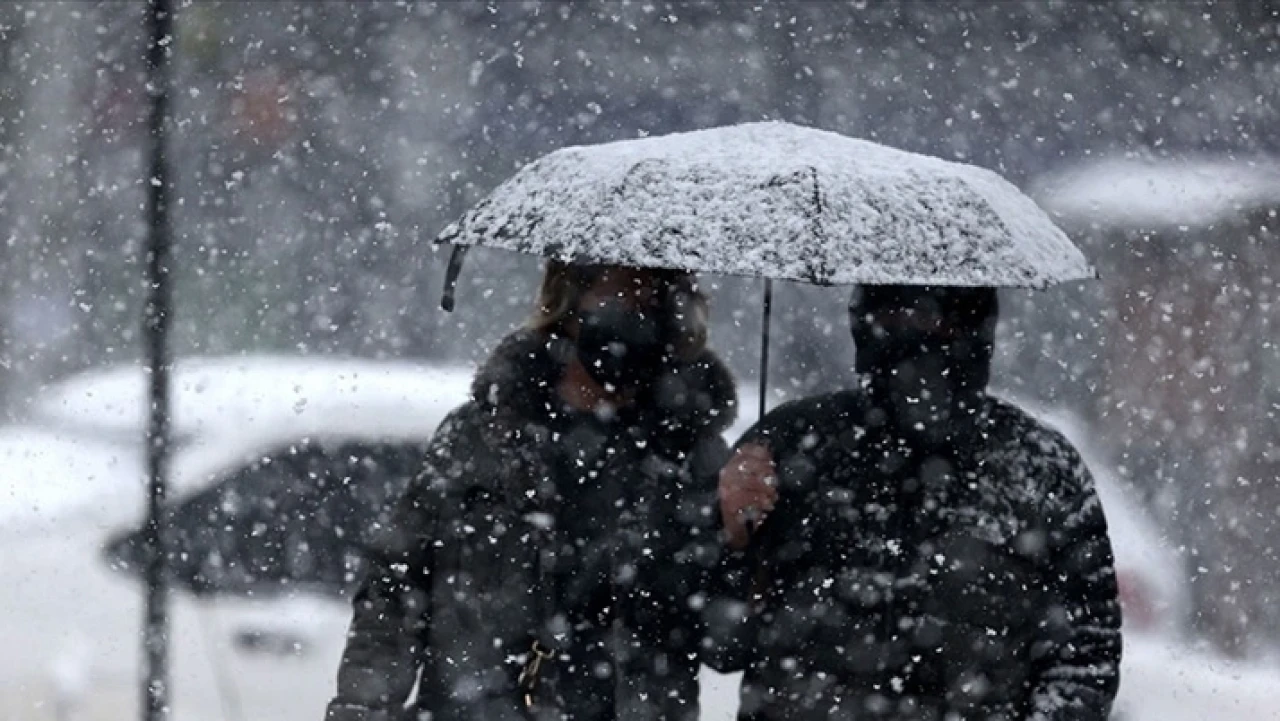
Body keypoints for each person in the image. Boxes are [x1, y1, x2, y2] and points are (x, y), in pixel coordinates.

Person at [323, 261, 736, 721]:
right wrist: (361, 708)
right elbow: (395, 591)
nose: (639, 318)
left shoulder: (693, 461)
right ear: (568, 304)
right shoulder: (479, 439)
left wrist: (741, 538)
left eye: (655, 302)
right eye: (621, 297)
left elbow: (726, 644)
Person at [709, 285, 1122, 721]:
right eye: (895, 316)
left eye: (939, 319)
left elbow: (1086, 656)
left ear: (975, 325)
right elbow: (719, 645)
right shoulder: (792, 447)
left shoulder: (1040, 468)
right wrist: (730, 534)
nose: (917, 336)